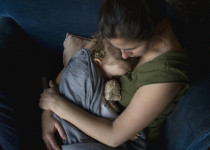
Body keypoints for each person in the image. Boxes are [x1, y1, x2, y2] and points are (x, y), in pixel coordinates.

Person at [39, 0, 190, 149]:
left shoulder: (166, 74)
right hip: (80, 111)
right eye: (118, 47)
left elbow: (114, 136)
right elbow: (80, 62)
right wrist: (48, 113)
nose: (124, 55)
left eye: (131, 49)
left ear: (158, 26)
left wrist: (56, 104)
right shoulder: (120, 28)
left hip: (118, 139)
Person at [48, 32, 139, 149]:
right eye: (112, 76)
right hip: (72, 137)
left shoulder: (86, 59)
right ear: (97, 61)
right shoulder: (87, 73)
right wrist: (123, 127)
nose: (112, 80)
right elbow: (101, 108)